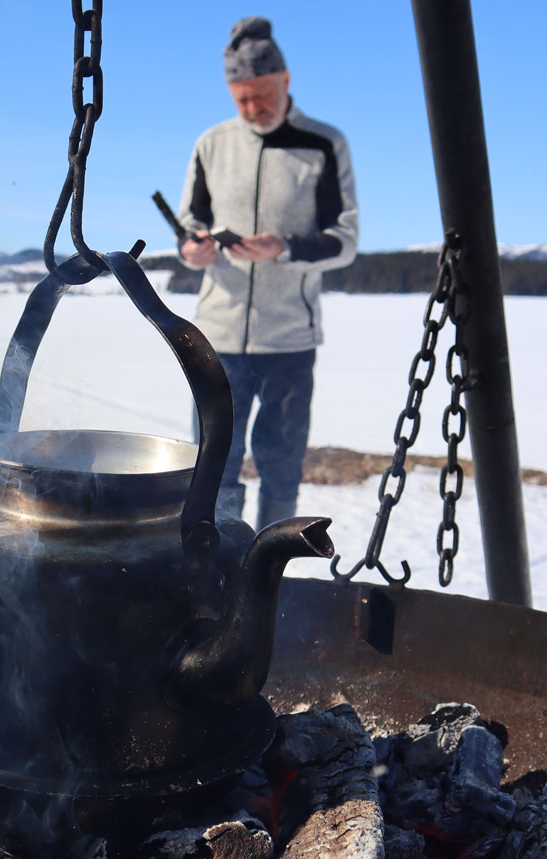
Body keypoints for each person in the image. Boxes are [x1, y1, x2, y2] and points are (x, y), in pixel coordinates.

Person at [177, 16, 358, 530]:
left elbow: (345, 239)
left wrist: (284, 247)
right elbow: (192, 222)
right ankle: (219, 571)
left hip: (289, 343)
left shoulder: (324, 145)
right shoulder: (212, 144)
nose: (253, 109)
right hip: (220, 336)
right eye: (241, 99)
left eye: (262, 95)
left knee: (281, 469)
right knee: (214, 468)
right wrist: (193, 249)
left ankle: (272, 573)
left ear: (287, 80)